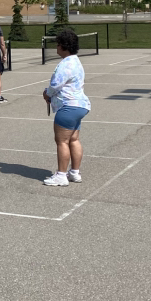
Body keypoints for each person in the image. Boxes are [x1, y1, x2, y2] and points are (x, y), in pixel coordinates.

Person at [42, 29, 91, 186]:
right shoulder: (76, 61)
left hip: (68, 107)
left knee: (62, 141)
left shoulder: (65, 64)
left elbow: (55, 85)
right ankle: (74, 172)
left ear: (64, 46)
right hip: (80, 106)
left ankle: (61, 175)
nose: (56, 47)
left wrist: (47, 94)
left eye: (58, 44)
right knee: (74, 139)